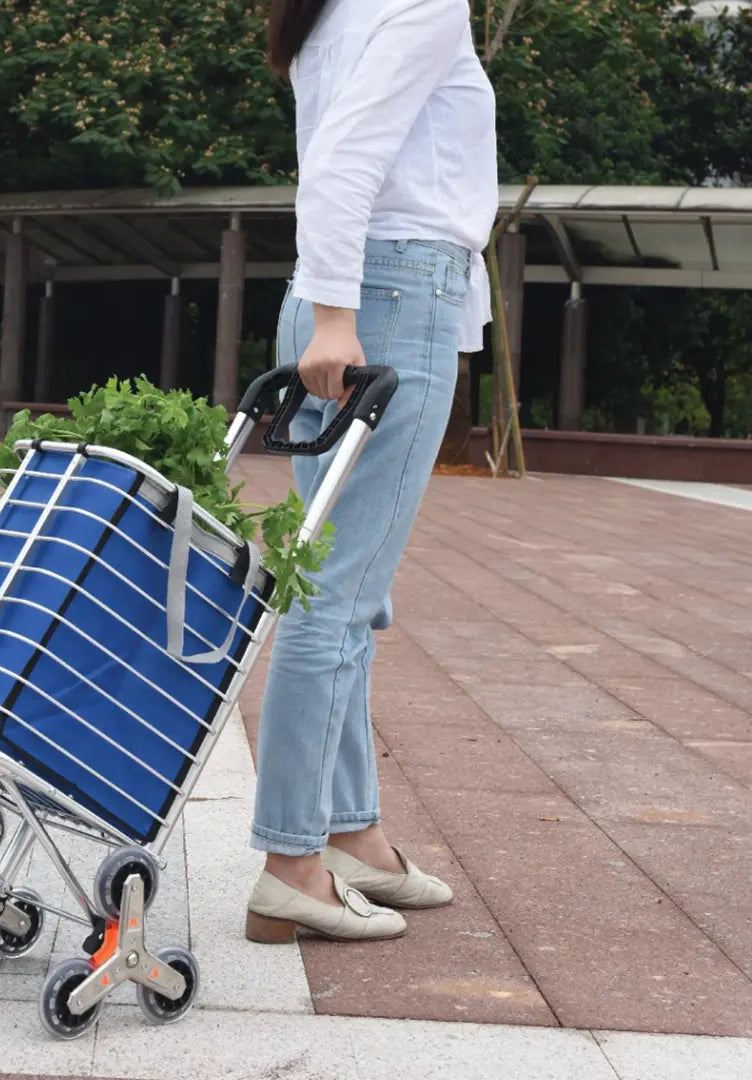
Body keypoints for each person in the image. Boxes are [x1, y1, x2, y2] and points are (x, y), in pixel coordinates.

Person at [246, 0, 498, 943]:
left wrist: (326, 311)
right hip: (381, 302)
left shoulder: (323, 11)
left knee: (342, 589)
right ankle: (290, 865)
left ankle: (350, 834)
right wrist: (339, 319)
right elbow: (344, 157)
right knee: (335, 602)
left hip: (336, 296)